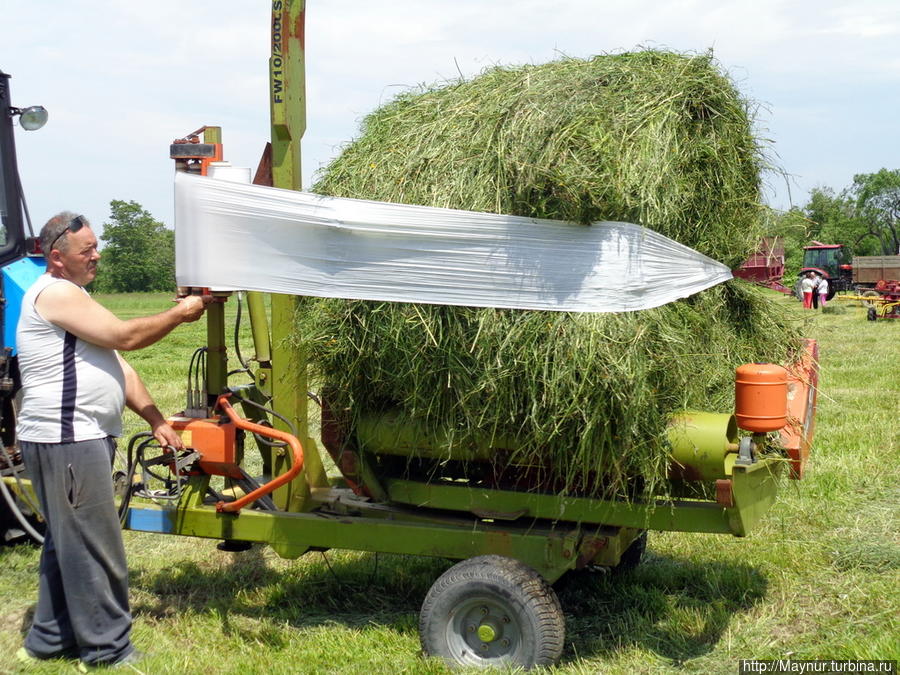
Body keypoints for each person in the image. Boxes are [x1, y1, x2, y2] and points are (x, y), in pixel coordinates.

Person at [15, 212, 210, 669]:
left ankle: (48, 640)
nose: (97, 255)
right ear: (57, 257)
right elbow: (126, 336)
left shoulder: (75, 296)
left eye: (96, 246)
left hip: (75, 438)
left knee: (67, 541)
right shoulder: (56, 292)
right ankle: (106, 649)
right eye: (88, 250)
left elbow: (119, 365)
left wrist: (156, 419)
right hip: (67, 439)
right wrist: (182, 313)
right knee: (94, 544)